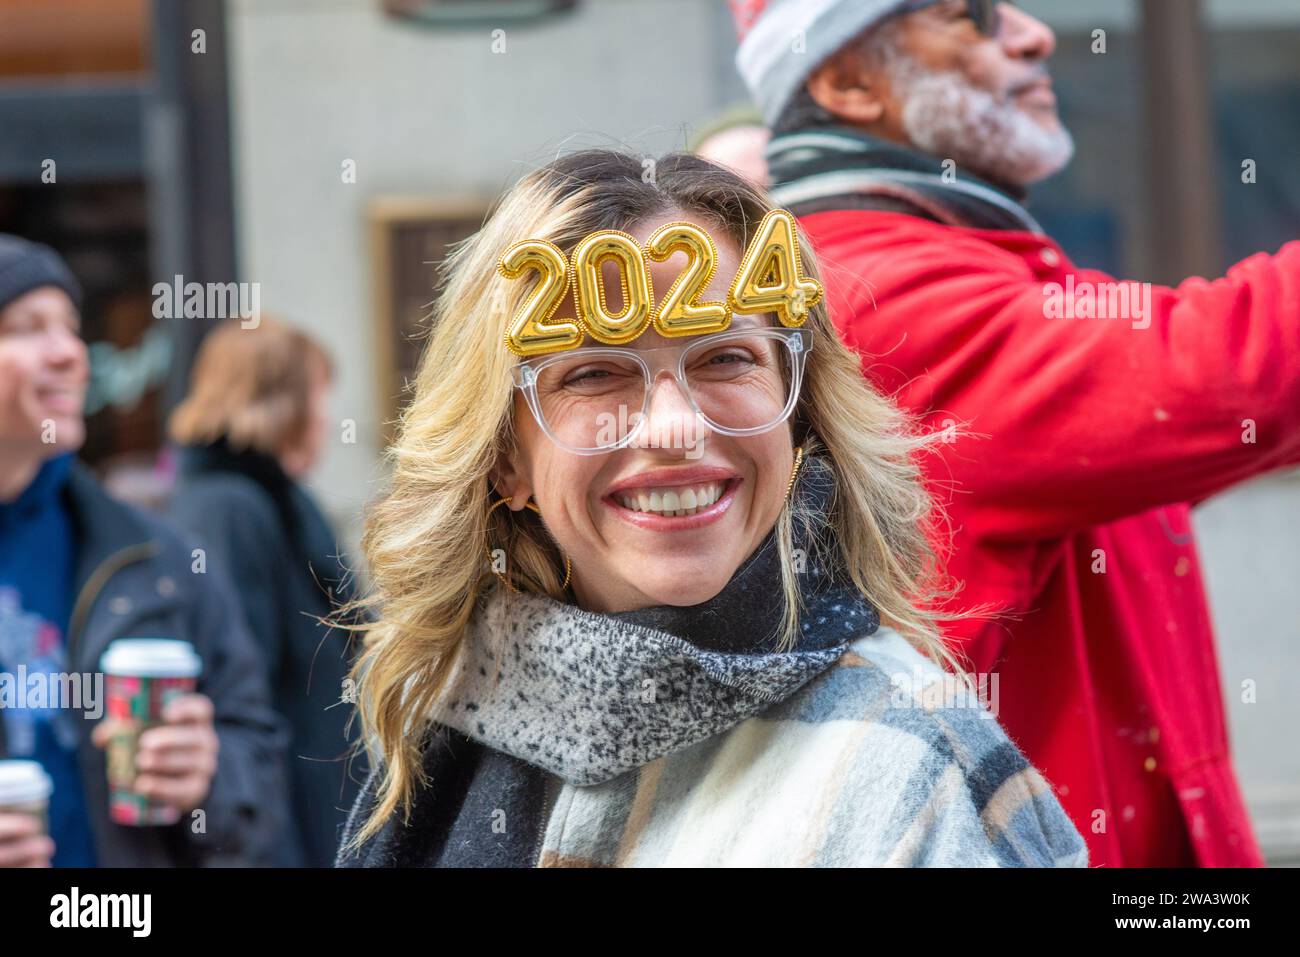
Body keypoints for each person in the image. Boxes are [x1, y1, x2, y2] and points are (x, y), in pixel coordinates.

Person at [335, 150, 1087, 867]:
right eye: (596, 372)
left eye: (725, 358)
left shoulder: (906, 766)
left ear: (799, 414)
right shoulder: (436, 715)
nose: (676, 427)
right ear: (504, 458)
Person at [732, 0, 1300, 866]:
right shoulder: (884, 294)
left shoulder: (918, 264)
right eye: (971, 16)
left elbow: (1222, 421)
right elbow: (1226, 369)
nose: (1032, 33)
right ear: (847, 81)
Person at [0, 234, 287, 867]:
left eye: (72, 329)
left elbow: (260, 768)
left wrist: (209, 776)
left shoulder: (158, 557)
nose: (70, 353)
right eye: (26, 327)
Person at [167, 318, 362, 867]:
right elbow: (243, 692)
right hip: (284, 827)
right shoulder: (229, 509)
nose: (328, 420)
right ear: (283, 404)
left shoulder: (268, 498)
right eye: (320, 398)